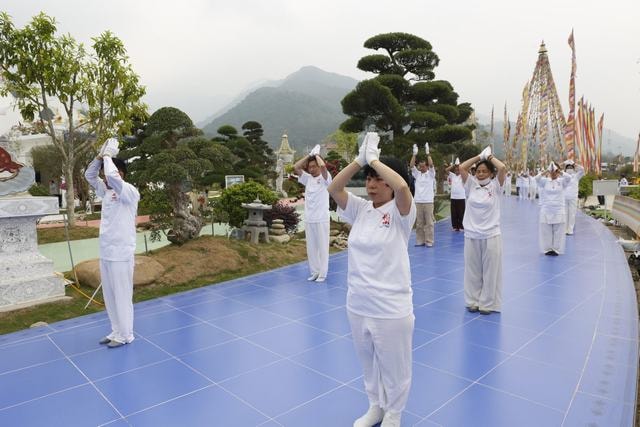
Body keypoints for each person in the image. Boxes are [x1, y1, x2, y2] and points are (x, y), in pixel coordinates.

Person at [328, 132, 416, 427]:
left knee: (395, 366)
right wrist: (359, 160)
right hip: (358, 303)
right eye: (368, 178)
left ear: (390, 183)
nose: (371, 184)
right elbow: (334, 186)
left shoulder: (402, 212)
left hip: (391, 307)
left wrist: (375, 159)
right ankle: (376, 406)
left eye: (378, 179)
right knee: (369, 364)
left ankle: (394, 413)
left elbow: (403, 185)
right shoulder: (361, 209)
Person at [84, 138, 140, 348]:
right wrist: (100, 156)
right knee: (110, 297)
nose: (103, 177)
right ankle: (116, 330)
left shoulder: (129, 192)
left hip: (122, 254)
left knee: (122, 296)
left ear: (121, 174)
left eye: (107, 173)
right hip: (106, 252)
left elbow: (111, 175)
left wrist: (109, 156)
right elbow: (89, 175)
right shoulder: (106, 191)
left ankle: (126, 335)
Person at [459, 147, 507, 315]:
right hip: (472, 234)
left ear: (490, 174)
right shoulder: (471, 185)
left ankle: (487, 303)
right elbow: (462, 168)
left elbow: (502, 168)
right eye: (478, 171)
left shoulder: (496, 186)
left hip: (491, 234)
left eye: (484, 171)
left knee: (490, 271)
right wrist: (479, 156)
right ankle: (472, 301)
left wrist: (490, 157)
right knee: (472, 270)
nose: (480, 174)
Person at [294, 145, 332, 282]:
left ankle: (323, 273)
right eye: (310, 167)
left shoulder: (325, 179)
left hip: (321, 219)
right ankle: (315, 272)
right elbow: (296, 167)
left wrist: (316, 155)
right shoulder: (308, 178)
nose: (311, 168)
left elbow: (323, 167)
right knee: (311, 249)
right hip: (309, 219)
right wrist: (308, 155)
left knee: (322, 248)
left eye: (314, 166)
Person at [535, 162, 572, 255]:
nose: (553, 173)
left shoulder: (562, 181)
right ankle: (547, 249)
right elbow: (536, 178)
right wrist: (546, 171)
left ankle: (556, 249)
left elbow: (569, 178)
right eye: (551, 171)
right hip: (546, 209)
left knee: (558, 231)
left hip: (558, 210)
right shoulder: (545, 181)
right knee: (546, 231)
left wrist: (559, 171)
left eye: (554, 171)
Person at [409, 142, 435, 246]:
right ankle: (420, 241)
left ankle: (429, 241)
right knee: (419, 223)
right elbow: (411, 166)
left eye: (423, 166)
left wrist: (428, 153)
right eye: (420, 166)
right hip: (418, 201)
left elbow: (432, 165)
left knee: (429, 223)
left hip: (428, 201)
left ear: (427, 167)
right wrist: (414, 154)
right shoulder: (417, 174)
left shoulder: (431, 174)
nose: (421, 168)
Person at [563, 160, 585, 235]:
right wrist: (563, 164)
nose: (569, 169)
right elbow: (557, 169)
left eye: (571, 167)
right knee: (565, 214)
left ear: (573, 168)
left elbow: (582, 169)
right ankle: (565, 229)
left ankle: (570, 229)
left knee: (572, 214)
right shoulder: (563, 175)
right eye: (568, 167)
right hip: (564, 197)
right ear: (565, 168)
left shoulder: (576, 175)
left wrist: (574, 164)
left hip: (573, 197)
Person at [445, 158, 465, 231]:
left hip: (461, 197)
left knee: (461, 213)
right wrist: (454, 165)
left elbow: (466, 169)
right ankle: (455, 226)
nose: (457, 171)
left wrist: (460, 166)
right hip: (453, 197)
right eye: (456, 169)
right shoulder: (452, 175)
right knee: (454, 213)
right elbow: (446, 170)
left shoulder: (463, 176)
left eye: (458, 169)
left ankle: (461, 226)